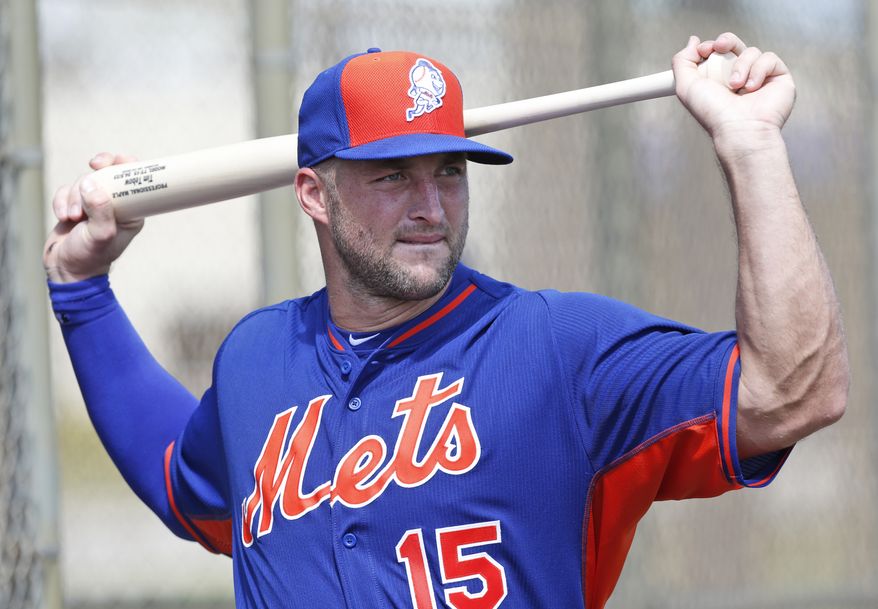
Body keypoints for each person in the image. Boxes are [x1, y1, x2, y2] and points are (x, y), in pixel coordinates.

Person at [44, 34, 848, 609]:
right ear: (314, 195)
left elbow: (793, 392)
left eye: (449, 171)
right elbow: (185, 485)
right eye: (393, 175)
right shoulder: (258, 357)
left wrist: (751, 149)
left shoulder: (555, 348)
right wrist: (81, 291)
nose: (431, 206)